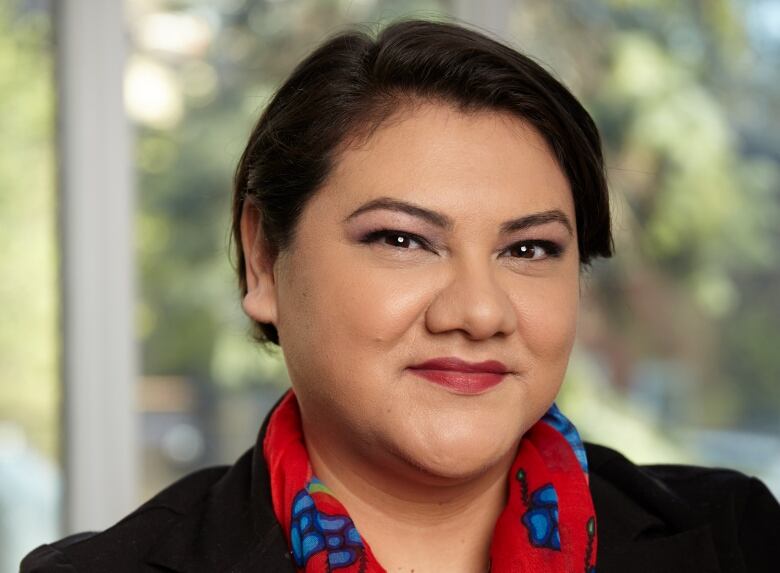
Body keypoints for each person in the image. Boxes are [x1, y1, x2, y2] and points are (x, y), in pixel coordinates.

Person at [21, 18, 779, 573]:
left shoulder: (736, 539)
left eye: (529, 248)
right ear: (262, 260)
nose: (479, 312)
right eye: (402, 239)